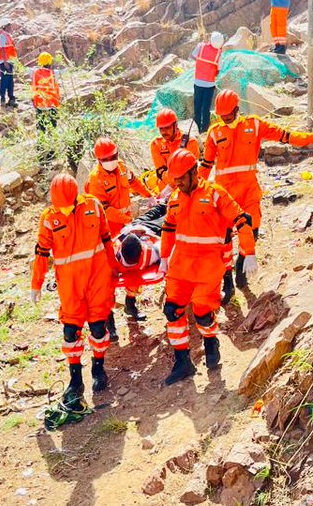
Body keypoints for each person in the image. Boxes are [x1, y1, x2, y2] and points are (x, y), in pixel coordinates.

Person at [200, 89, 313, 299]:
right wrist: (195, 190)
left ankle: (241, 267)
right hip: (223, 194)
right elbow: (205, 165)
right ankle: (227, 283)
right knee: (224, 240)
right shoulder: (214, 133)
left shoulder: (255, 125)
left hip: (249, 190)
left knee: (253, 232)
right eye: (221, 117)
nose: (225, 119)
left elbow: (285, 136)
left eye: (228, 116)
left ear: (237, 110)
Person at [159, 149, 257, 384]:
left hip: (207, 266)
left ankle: (211, 342)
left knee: (203, 314)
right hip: (180, 266)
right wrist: (164, 257)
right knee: (172, 311)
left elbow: (242, 219)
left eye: (182, 177)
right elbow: (168, 228)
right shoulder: (174, 199)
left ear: (194, 172)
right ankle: (182, 361)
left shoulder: (215, 194)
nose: (178, 182)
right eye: (175, 178)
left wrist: (249, 251)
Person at [31, 174, 118, 410]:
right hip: (70, 286)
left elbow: (107, 239)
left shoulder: (93, 206)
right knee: (71, 331)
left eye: (68, 205)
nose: (65, 210)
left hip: (97, 277)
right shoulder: (49, 219)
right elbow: (41, 254)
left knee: (99, 327)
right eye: (61, 206)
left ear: (76, 197)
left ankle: (99, 369)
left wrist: (114, 269)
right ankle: (75, 379)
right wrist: (36, 284)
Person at [87, 137, 152, 320]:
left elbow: (134, 182)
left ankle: (131, 304)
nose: (110, 162)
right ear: (98, 160)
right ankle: (109, 320)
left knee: (133, 262)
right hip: (108, 231)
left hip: (126, 227)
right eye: (105, 159)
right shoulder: (96, 180)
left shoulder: (122, 167)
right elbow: (105, 210)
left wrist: (149, 195)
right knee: (110, 274)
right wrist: (127, 220)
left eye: (113, 157)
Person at [150, 109, 200, 188]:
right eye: (161, 129)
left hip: (187, 187)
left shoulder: (190, 142)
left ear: (176, 125)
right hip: (166, 188)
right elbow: (161, 174)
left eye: (167, 127)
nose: (164, 132)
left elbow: (191, 172)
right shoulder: (156, 144)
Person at [191, 32, 224, 133]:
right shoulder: (219, 53)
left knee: (197, 106)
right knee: (206, 108)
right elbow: (218, 70)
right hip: (209, 85)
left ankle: (196, 128)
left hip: (198, 82)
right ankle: (205, 130)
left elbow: (192, 56)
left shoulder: (200, 46)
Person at [31, 52, 61, 167]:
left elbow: (34, 88)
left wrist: (34, 102)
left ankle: (40, 157)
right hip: (52, 105)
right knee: (52, 130)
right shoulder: (54, 73)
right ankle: (52, 155)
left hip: (40, 106)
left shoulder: (36, 73)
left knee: (41, 131)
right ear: (49, 62)